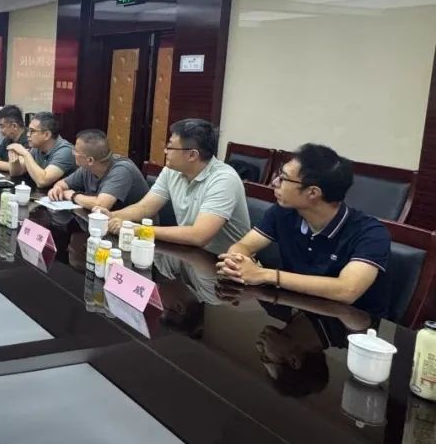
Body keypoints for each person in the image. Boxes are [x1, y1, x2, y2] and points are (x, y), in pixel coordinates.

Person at [218, 144, 393, 318]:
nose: (274, 182)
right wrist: (235, 262)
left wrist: (263, 275)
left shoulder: (371, 233)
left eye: (283, 178)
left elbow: (347, 290)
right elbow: (245, 245)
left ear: (312, 192)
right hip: (297, 310)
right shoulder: (283, 212)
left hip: (348, 326)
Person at [96, 118, 250, 255]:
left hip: (223, 263)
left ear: (192, 155)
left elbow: (199, 236)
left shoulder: (224, 180)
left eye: (170, 147)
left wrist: (138, 229)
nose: (165, 151)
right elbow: (145, 207)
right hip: (187, 253)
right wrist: (113, 216)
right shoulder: (172, 171)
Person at [48, 129, 148, 211]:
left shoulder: (122, 170)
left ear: (90, 160)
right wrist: (58, 189)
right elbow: (62, 184)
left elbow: (101, 205)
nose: (72, 152)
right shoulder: (86, 168)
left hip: (137, 227)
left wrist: (73, 195)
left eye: (76, 151)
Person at [6, 112, 76, 189]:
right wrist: (14, 160)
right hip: (43, 194)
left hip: (63, 195)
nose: (28, 134)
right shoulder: (37, 147)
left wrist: (25, 154)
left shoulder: (65, 151)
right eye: (28, 130)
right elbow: (16, 173)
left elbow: (42, 181)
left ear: (47, 135)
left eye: (32, 131)